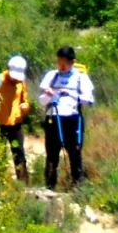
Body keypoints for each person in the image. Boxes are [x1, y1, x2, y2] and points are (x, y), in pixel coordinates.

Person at [39, 45, 94, 189]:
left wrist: (70, 94)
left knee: (74, 152)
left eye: (65, 62)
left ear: (72, 62)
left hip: (72, 119)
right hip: (54, 117)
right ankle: (49, 186)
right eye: (59, 61)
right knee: (52, 153)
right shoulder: (51, 76)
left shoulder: (81, 78)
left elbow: (88, 100)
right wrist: (49, 95)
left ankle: (77, 186)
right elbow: (41, 100)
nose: (62, 65)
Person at [0, 54, 32, 183]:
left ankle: (23, 184)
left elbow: (24, 101)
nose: (15, 80)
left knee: (18, 153)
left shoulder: (21, 84)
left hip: (15, 126)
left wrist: (25, 107)